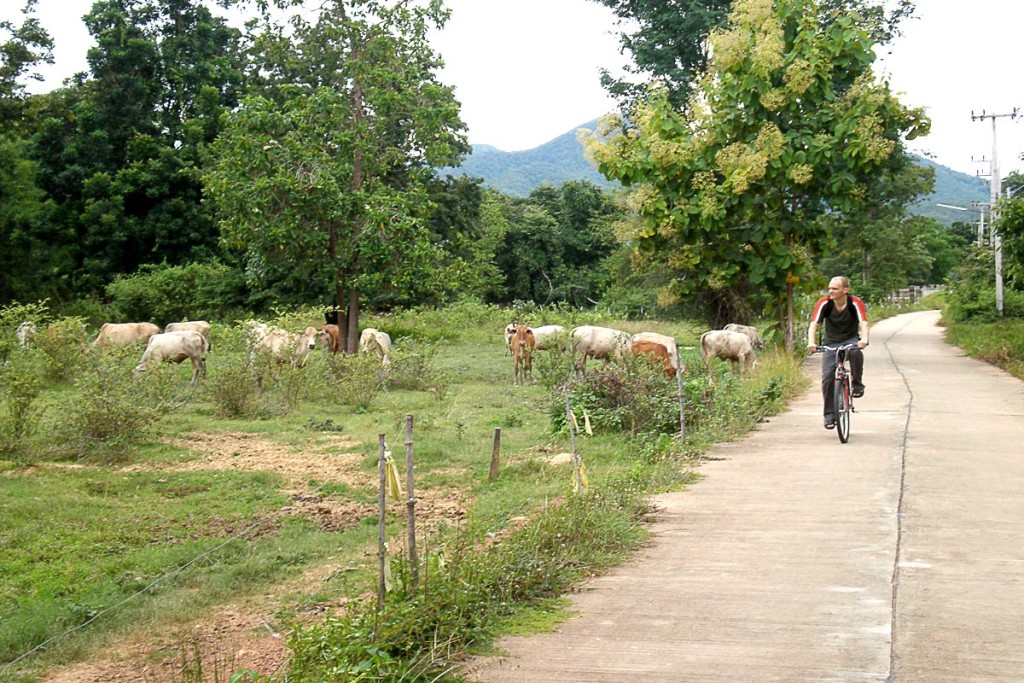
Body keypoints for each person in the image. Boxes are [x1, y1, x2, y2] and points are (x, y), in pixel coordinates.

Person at [806, 276, 869, 429]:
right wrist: (811, 342)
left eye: (834, 289)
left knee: (855, 353)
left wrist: (864, 339)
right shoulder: (824, 303)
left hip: (850, 339)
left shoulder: (855, 302)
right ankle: (829, 415)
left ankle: (857, 385)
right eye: (830, 288)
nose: (830, 291)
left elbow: (864, 323)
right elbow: (814, 324)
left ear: (845, 290)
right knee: (827, 378)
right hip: (830, 343)